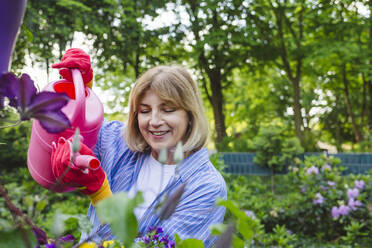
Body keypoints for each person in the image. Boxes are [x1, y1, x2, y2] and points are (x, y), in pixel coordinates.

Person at [51, 48, 227, 247]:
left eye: (167, 110)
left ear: (190, 115)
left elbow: (153, 245)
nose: (154, 121)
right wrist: (82, 93)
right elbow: (69, 132)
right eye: (144, 111)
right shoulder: (119, 144)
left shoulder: (206, 186)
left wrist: (100, 193)